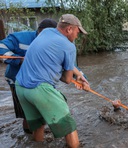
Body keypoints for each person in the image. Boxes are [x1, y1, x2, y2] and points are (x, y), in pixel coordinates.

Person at [15, 14, 89, 148]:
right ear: (69, 29)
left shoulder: (46, 32)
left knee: (39, 125)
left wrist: (78, 75)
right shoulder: (69, 46)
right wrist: (76, 80)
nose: (78, 36)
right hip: (39, 89)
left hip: (20, 87)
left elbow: (52, 56)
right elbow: (67, 79)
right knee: (69, 125)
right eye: (78, 32)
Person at [0, 18, 57, 133]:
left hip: (41, 82)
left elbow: (67, 64)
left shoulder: (55, 43)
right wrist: (20, 60)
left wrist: (80, 77)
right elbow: (1, 48)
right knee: (26, 113)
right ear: (40, 31)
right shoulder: (20, 38)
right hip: (17, 81)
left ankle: (35, 136)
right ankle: (29, 136)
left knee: (42, 111)